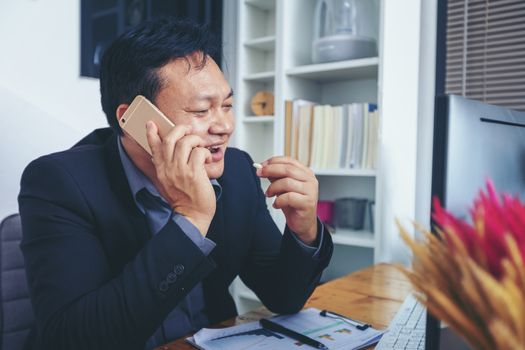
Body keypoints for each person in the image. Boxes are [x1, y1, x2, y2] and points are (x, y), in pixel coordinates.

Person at [18, 17, 333, 350]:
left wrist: (304, 231)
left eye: (226, 106)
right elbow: (74, 338)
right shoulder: (58, 183)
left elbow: (283, 297)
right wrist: (191, 219)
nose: (224, 126)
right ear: (134, 120)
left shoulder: (237, 170)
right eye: (201, 110)